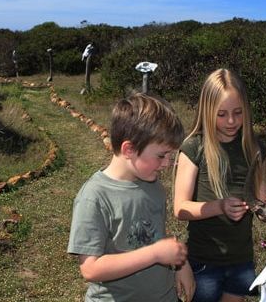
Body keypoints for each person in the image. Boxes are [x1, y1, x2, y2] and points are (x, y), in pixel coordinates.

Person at [68, 92, 195, 301]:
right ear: (129, 149)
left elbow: (156, 233)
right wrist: (154, 254)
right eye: (162, 155)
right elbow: (91, 269)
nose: (168, 164)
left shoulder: (153, 185)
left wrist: (181, 264)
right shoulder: (94, 197)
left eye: (171, 156)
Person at [174, 68, 266, 302]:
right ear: (206, 110)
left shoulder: (254, 148)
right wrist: (219, 206)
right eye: (221, 114)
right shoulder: (194, 147)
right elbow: (180, 208)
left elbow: (261, 206)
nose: (231, 121)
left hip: (241, 261)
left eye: (238, 113)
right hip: (203, 263)